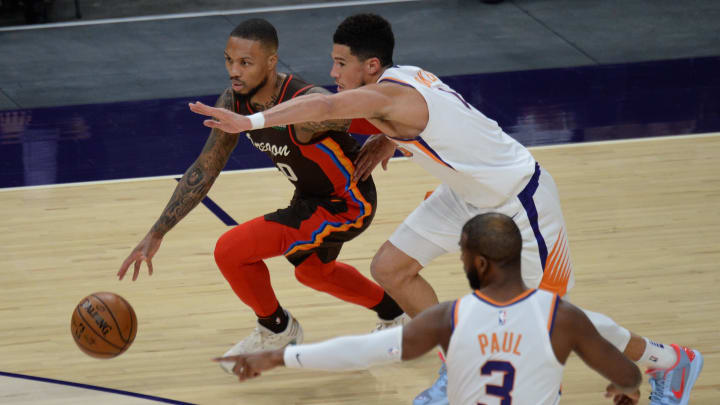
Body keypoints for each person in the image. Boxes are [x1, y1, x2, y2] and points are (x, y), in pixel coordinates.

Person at [187, 13, 703, 404]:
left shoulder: (392, 98)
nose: (332, 71)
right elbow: (417, 120)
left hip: (519, 200)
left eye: (341, 63)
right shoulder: (400, 83)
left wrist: (249, 124)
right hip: (465, 195)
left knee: (544, 321)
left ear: (370, 66)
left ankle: (666, 361)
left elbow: (325, 107)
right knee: (391, 267)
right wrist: (391, 142)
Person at [118, 18, 407, 373]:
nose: (233, 72)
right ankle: (395, 313)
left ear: (271, 62)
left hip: (345, 204)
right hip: (311, 199)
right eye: (229, 61)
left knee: (232, 249)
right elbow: (205, 169)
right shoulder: (234, 102)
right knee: (314, 273)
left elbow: (396, 110)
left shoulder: (308, 106)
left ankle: (276, 329)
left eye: (245, 63)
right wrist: (157, 232)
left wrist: (389, 139)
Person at [215, 213, 643, 405]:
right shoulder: (565, 318)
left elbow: (361, 352)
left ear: (475, 263)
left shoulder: (450, 319)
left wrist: (280, 356)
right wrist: (623, 386)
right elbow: (627, 374)